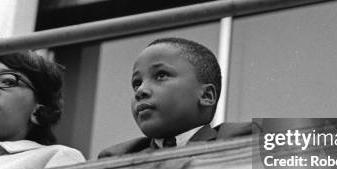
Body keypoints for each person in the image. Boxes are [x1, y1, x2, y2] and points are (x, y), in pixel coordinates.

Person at [98, 37, 252, 158]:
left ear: (206, 95)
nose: (141, 90)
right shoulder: (117, 158)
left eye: (161, 75)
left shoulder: (248, 137)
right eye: (136, 83)